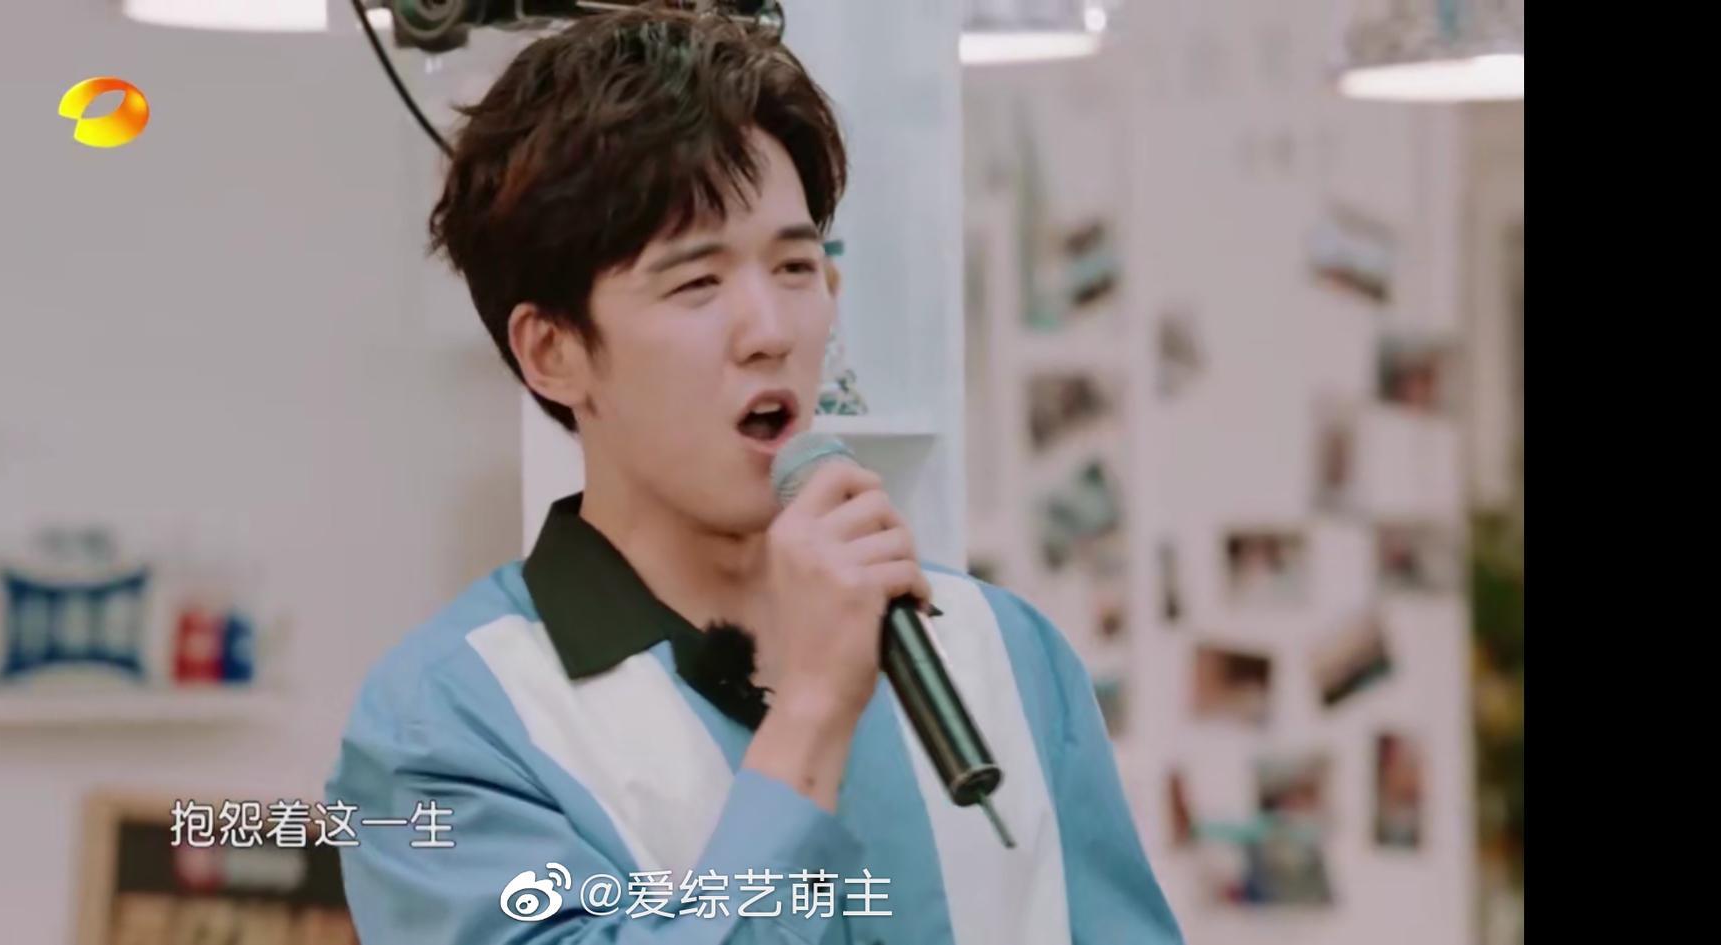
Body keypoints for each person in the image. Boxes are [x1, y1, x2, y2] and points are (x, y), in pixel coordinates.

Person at [325, 8, 1182, 943]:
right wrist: (812, 708)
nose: (770, 330)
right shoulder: (447, 728)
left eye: (795, 266)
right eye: (697, 282)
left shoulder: (1007, 654)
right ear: (553, 351)